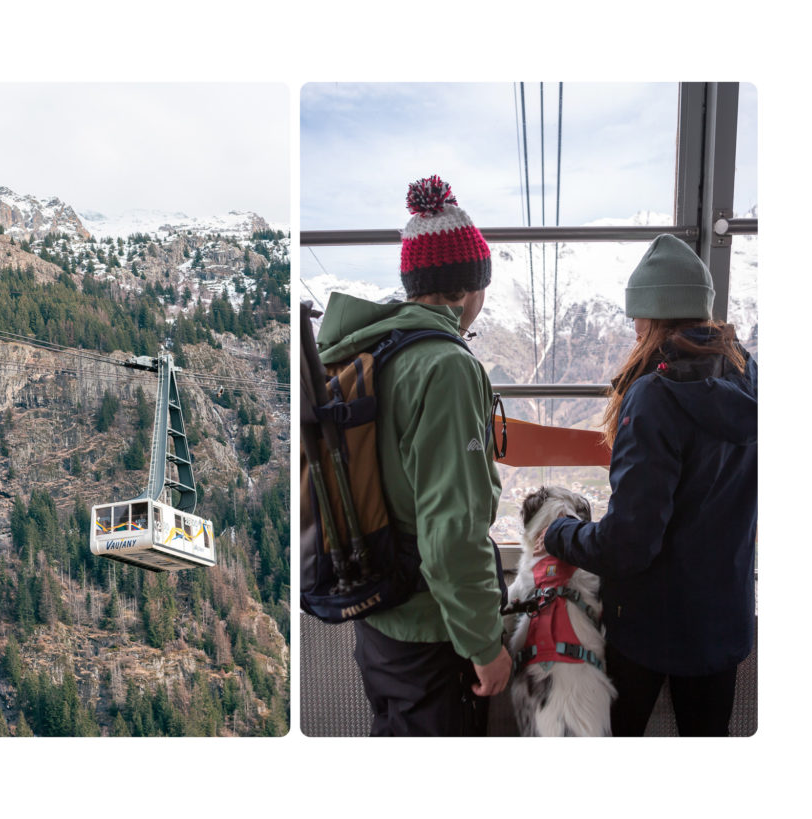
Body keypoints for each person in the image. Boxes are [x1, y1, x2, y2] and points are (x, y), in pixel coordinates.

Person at [316, 175, 512, 736]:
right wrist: (483, 644)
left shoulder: (372, 349)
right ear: (470, 285)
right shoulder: (446, 367)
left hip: (378, 610)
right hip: (430, 629)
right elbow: (452, 530)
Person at [540, 233, 757, 736]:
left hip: (650, 628)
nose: (634, 329)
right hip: (723, 622)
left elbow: (628, 545)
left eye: (637, 316)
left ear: (654, 316)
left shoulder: (654, 396)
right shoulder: (749, 375)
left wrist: (560, 534)